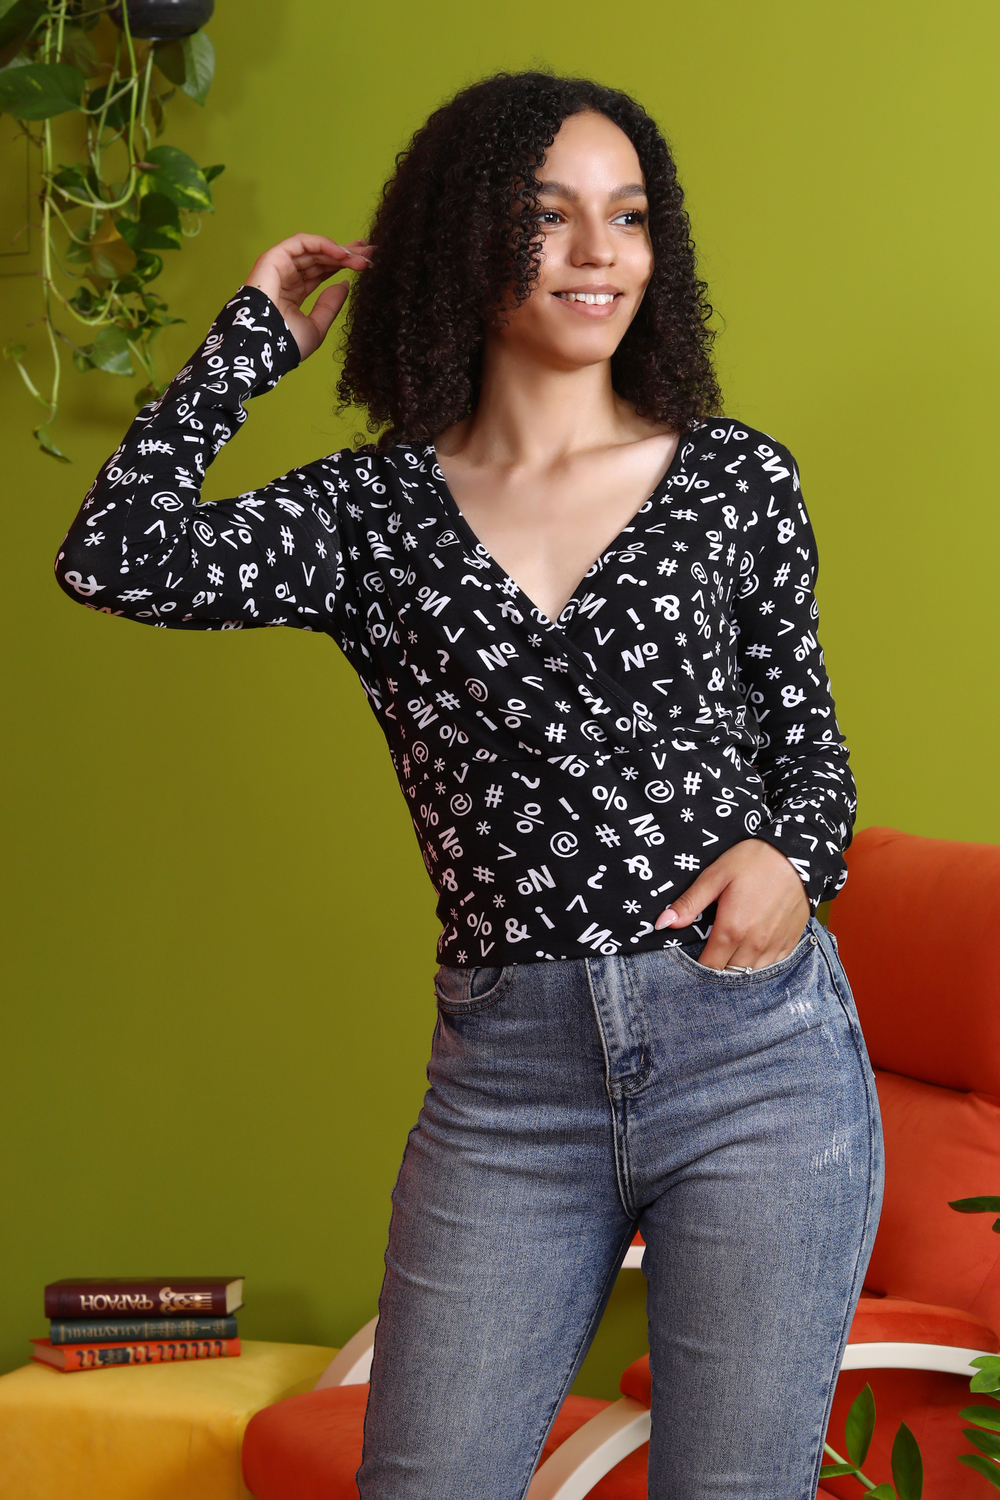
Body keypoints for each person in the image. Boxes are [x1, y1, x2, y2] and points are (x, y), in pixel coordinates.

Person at [55, 71, 883, 1500]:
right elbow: (114, 556)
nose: (599, 252)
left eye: (630, 216)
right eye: (548, 216)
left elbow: (808, 746)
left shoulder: (737, 480)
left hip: (755, 1061)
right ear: (464, 238)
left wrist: (795, 860)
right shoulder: (366, 515)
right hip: (510, 1088)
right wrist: (249, 346)